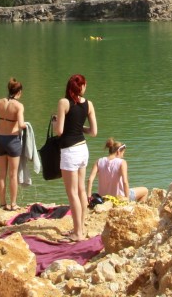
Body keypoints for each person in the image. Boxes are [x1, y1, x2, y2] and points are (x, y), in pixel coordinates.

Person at [55, 73, 97, 242]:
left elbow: (59, 131)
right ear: (80, 87)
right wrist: (80, 128)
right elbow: (93, 132)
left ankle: (77, 233)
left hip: (70, 151)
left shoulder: (63, 103)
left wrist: (55, 123)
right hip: (83, 149)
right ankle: (81, 227)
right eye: (84, 85)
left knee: (72, 193)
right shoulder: (89, 104)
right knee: (81, 190)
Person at [0, 77, 26, 211]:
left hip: (0, 139)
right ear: (19, 92)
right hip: (13, 141)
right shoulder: (19, 106)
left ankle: (2, 204)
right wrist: (27, 126)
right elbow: (21, 124)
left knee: (2, 174)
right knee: (13, 174)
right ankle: (13, 204)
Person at [87, 139, 146, 203]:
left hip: (103, 199)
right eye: (123, 153)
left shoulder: (99, 161)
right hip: (119, 198)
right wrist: (127, 200)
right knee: (145, 191)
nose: (123, 156)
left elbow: (90, 180)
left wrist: (89, 197)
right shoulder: (122, 162)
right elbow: (125, 182)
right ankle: (137, 208)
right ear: (118, 151)